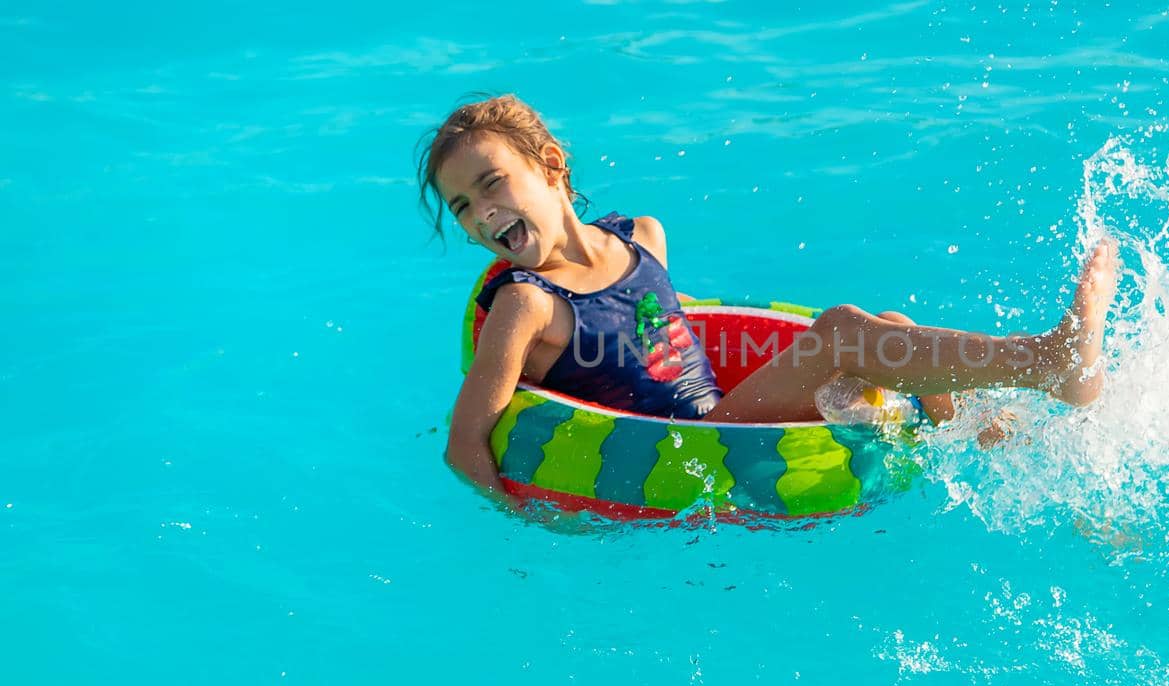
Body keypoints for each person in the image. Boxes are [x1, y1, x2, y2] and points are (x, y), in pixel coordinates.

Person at [418, 94, 1121, 499]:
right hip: (699, 445)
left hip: (718, 408)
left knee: (891, 330)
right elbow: (465, 442)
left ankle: (1021, 448)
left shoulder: (641, 238)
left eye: (491, 184)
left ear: (550, 167)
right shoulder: (528, 304)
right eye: (461, 207)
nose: (481, 214)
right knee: (846, 332)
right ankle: (1049, 360)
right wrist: (527, 532)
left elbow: (675, 322)